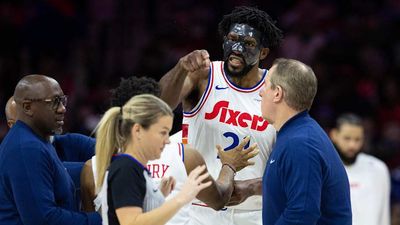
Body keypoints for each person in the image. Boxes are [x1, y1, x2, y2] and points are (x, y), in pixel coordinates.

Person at [159, 6, 283, 225]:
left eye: (249, 44)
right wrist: (180, 68)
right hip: (199, 210)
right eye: (233, 39)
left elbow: (289, 165)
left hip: (255, 211)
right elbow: (157, 106)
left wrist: (254, 186)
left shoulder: (276, 89)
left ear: (263, 53)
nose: (237, 48)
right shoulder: (203, 76)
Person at [81, 76, 258, 225]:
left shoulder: (101, 166)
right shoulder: (127, 167)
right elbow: (132, 222)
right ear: (138, 130)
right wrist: (182, 197)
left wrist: (158, 197)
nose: (169, 140)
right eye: (162, 132)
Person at [259, 58, 352, 224]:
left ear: (277, 93)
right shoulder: (297, 134)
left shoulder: (300, 143)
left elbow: (302, 214)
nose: (261, 92)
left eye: (265, 85)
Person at [0, 75, 101, 224]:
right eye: (54, 102)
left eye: (62, 100)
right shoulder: (27, 149)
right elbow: (44, 220)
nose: (62, 109)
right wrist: (103, 220)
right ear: (28, 107)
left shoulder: (39, 141)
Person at [330, 113, 390, 225]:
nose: (352, 145)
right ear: (334, 135)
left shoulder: (378, 168)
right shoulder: (324, 169)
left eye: (357, 139)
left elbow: (384, 215)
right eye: (347, 138)